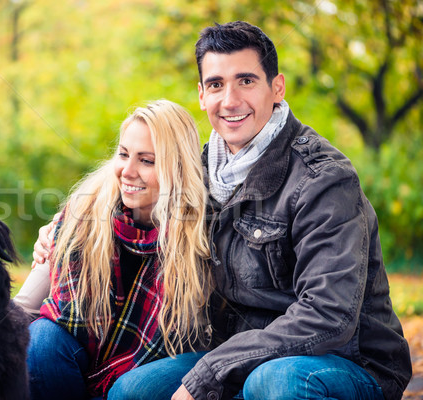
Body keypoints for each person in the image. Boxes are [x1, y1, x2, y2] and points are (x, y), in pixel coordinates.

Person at [33, 22, 412, 400]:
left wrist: (210, 373)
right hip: (235, 354)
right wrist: (64, 228)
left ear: (276, 87)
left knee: (275, 382)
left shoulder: (323, 179)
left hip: (340, 360)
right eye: (216, 84)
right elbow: (133, 196)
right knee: (131, 391)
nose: (229, 100)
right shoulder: (197, 172)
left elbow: (329, 316)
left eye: (246, 81)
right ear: (201, 94)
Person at [22, 99, 214, 400]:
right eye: (124, 154)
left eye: (147, 161)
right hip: (88, 355)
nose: (128, 171)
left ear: (177, 169)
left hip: (161, 362)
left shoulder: (203, 231)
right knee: (40, 343)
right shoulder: (84, 215)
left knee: (128, 390)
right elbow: (26, 305)